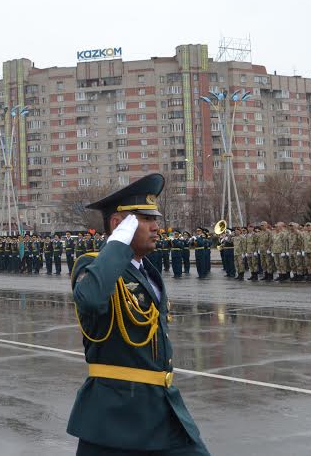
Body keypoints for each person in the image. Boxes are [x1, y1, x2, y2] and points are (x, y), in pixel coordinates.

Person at [68, 174, 209, 455]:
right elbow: (92, 300)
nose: (157, 227)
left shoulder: (147, 272)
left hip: (161, 408)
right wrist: (116, 245)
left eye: (155, 218)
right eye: (145, 219)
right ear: (119, 225)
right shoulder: (92, 268)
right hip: (116, 419)